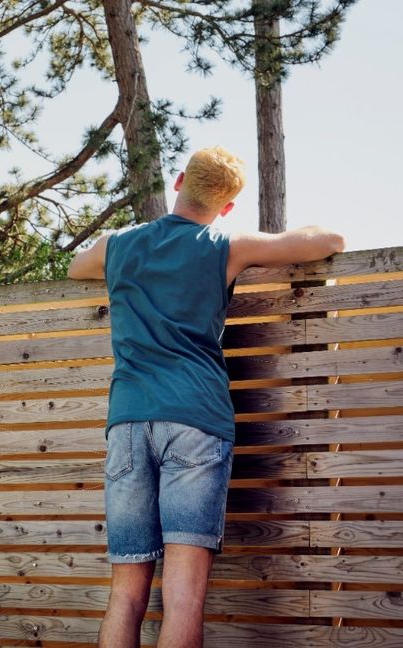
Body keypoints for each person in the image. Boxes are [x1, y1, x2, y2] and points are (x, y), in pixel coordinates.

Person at [66, 146, 345, 648]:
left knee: (126, 596)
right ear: (228, 206)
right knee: (184, 599)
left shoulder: (119, 244)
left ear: (178, 181)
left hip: (127, 424)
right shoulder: (224, 243)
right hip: (196, 422)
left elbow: (75, 266)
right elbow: (325, 240)